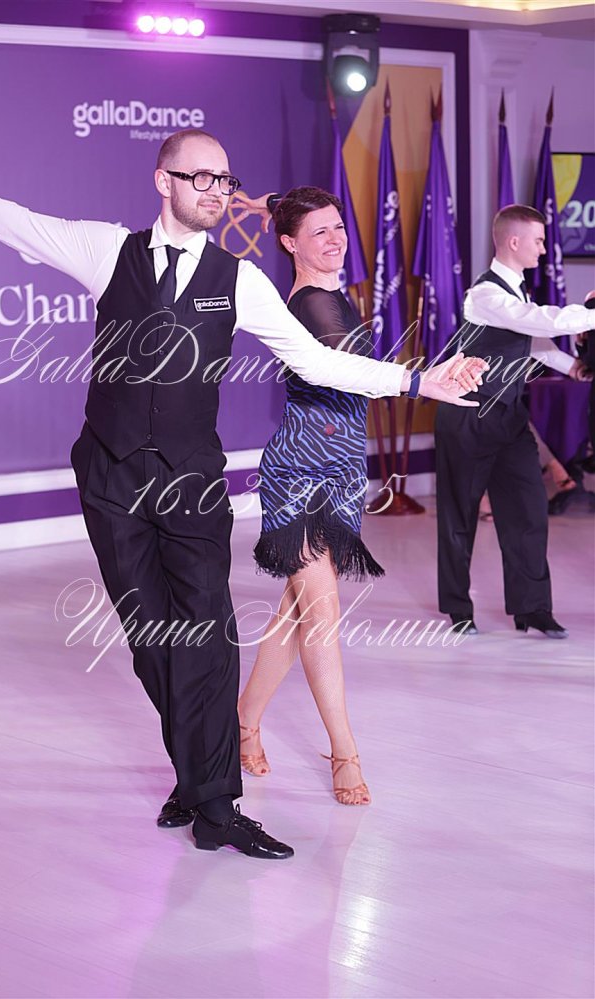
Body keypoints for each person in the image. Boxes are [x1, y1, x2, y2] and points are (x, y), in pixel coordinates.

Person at [0, 129, 485, 859]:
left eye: (225, 180)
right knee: (150, 640)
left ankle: (217, 806)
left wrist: (417, 380)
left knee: (209, 637)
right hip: (111, 475)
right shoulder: (108, 251)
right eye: (201, 178)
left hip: (191, 480)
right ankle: (196, 775)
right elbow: (14, 221)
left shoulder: (240, 279)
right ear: (164, 181)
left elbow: (317, 360)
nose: (217, 192)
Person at [234, 187, 382, 805]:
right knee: (321, 614)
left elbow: (299, 211)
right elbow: (355, 376)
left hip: (342, 469)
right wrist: (426, 379)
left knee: (296, 612)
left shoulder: (328, 291)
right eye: (318, 232)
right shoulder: (316, 304)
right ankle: (345, 753)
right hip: (301, 472)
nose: (335, 238)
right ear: (290, 244)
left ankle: (242, 724)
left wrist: (270, 201)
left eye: (338, 226)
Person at [434, 204, 595, 638]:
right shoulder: (485, 295)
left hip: (508, 417)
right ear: (514, 241)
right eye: (539, 241)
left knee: (528, 509)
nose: (543, 249)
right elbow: (535, 320)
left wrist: (575, 368)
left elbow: (535, 343)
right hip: (467, 415)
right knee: (459, 515)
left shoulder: (516, 294)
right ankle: (458, 609)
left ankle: (533, 609)